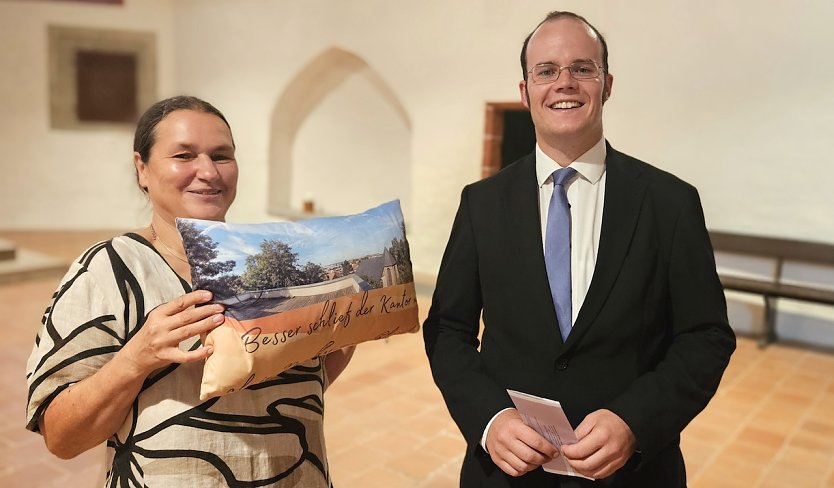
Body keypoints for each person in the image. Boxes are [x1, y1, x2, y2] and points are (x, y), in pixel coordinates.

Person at [423, 11, 736, 487]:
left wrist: (635, 421)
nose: (563, 83)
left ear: (606, 84)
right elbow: (447, 329)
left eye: (582, 68)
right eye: (546, 71)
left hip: (632, 474)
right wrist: (489, 420)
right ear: (525, 91)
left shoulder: (669, 203)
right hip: (508, 474)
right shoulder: (481, 203)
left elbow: (706, 336)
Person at [25, 95, 354, 487]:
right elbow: (62, 436)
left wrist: (342, 331)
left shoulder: (277, 261)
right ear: (142, 168)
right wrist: (136, 358)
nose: (208, 172)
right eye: (184, 156)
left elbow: (301, 390)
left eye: (221, 155)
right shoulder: (109, 270)